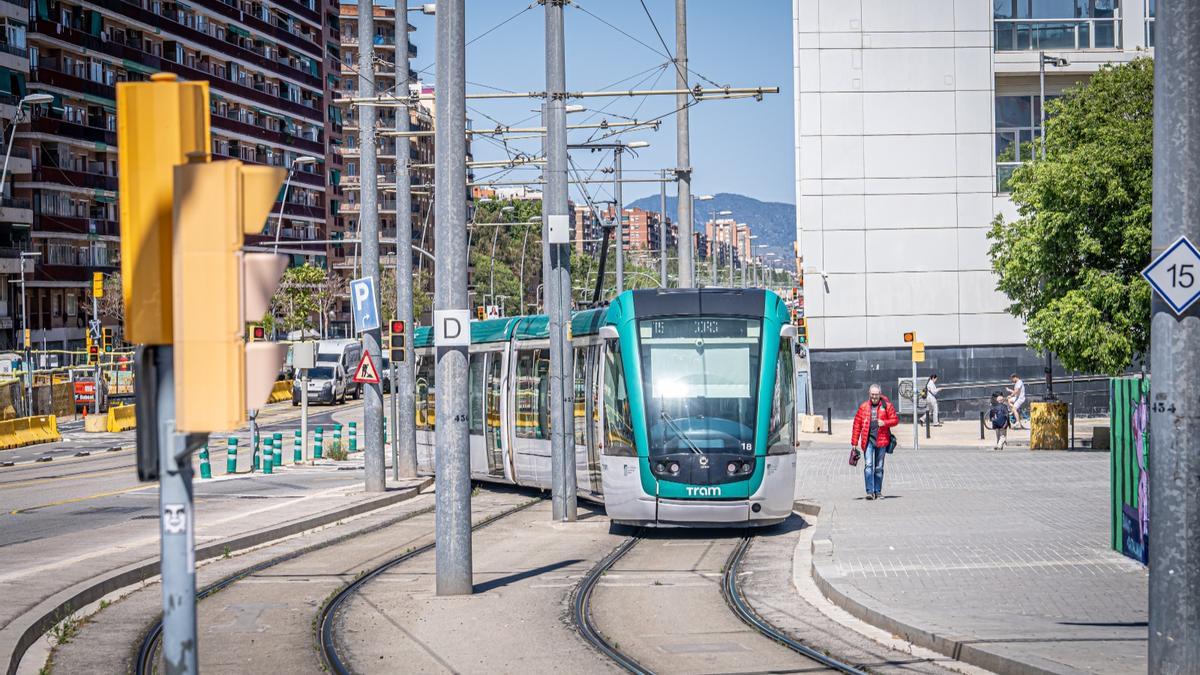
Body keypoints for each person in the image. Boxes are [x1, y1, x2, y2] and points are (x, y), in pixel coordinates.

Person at [850, 384, 898, 500]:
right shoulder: (863, 407)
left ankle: (878, 491)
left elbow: (895, 420)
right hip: (868, 441)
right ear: (869, 394)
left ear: (880, 394)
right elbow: (857, 424)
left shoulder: (887, 406)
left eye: (876, 394)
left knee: (879, 467)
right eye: (872, 394)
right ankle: (870, 492)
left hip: (882, 441)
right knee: (868, 466)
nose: (874, 397)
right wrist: (854, 442)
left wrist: (885, 423)